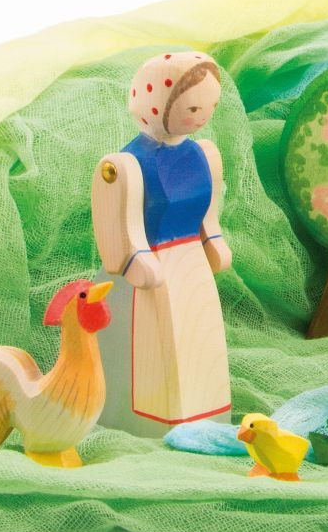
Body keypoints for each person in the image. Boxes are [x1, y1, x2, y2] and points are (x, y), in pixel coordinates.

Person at [91, 51, 232, 430]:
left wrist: (212, 237)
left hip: (190, 264)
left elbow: (205, 209)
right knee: (154, 351)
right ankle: (155, 419)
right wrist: (135, 258)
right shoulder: (125, 165)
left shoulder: (202, 154)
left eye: (210, 107)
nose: (202, 117)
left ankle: (205, 411)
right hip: (147, 272)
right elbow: (115, 224)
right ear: (156, 105)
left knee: (199, 339)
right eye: (193, 108)